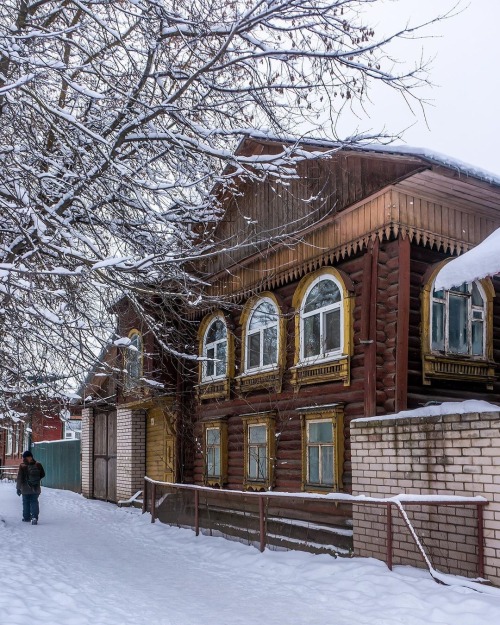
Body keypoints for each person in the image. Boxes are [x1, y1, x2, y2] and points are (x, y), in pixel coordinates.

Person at [16, 450, 45, 525]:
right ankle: (34, 517)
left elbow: (20, 477)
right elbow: (43, 474)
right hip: (35, 488)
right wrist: (36, 480)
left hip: (25, 488)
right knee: (34, 502)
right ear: (31, 457)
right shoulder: (38, 464)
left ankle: (26, 517)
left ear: (24, 458)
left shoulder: (22, 465)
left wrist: (18, 488)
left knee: (26, 502)